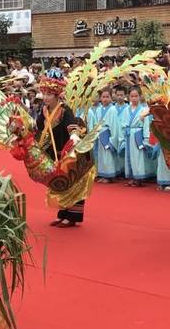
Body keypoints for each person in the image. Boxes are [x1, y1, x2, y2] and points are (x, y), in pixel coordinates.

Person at [35, 77, 83, 227]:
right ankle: (62, 213)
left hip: (66, 152)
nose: (46, 97)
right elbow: (38, 128)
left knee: (71, 183)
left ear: (56, 95)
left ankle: (73, 216)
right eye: (44, 94)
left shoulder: (64, 110)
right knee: (59, 184)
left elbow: (73, 126)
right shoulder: (44, 111)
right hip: (52, 153)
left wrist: (74, 136)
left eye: (49, 94)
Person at [119, 87, 154, 187]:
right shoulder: (126, 110)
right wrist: (123, 137)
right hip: (129, 135)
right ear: (128, 97)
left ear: (140, 96)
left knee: (138, 157)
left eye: (136, 96)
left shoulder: (144, 110)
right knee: (129, 156)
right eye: (132, 96)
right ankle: (132, 177)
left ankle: (138, 178)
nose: (134, 98)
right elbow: (122, 124)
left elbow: (146, 125)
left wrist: (145, 139)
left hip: (137, 135)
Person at [92, 88, 119, 183]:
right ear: (100, 98)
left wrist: (112, 139)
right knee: (101, 155)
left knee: (108, 155)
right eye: (103, 97)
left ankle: (109, 175)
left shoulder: (113, 109)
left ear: (111, 98)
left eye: (107, 97)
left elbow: (114, 125)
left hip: (107, 133)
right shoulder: (98, 109)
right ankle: (103, 174)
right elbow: (96, 123)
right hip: (100, 133)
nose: (105, 99)